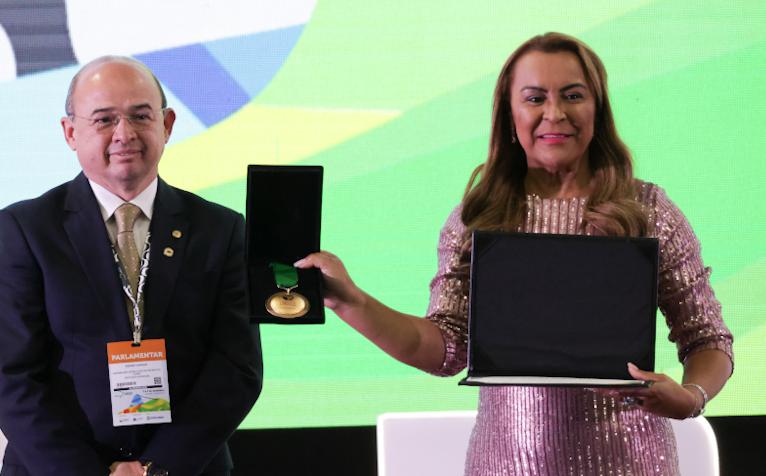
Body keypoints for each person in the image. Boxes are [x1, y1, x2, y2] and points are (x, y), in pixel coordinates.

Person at [296, 33, 733, 475]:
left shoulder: (648, 210)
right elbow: (445, 349)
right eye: (535, 98)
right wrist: (350, 301)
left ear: (597, 109)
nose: (554, 113)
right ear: (510, 115)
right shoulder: (477, 218)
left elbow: (708, 339)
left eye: (573, 95)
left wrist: (691, 397)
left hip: (631, 465)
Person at [0, 56, 263, 476]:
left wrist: (156, 467)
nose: (124, 134)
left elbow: (237, 367)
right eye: (104, 120)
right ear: (70, 132)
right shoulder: (28, 230)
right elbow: (11, 375)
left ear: (167, 124)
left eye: (140, 116)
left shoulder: (219, 230)